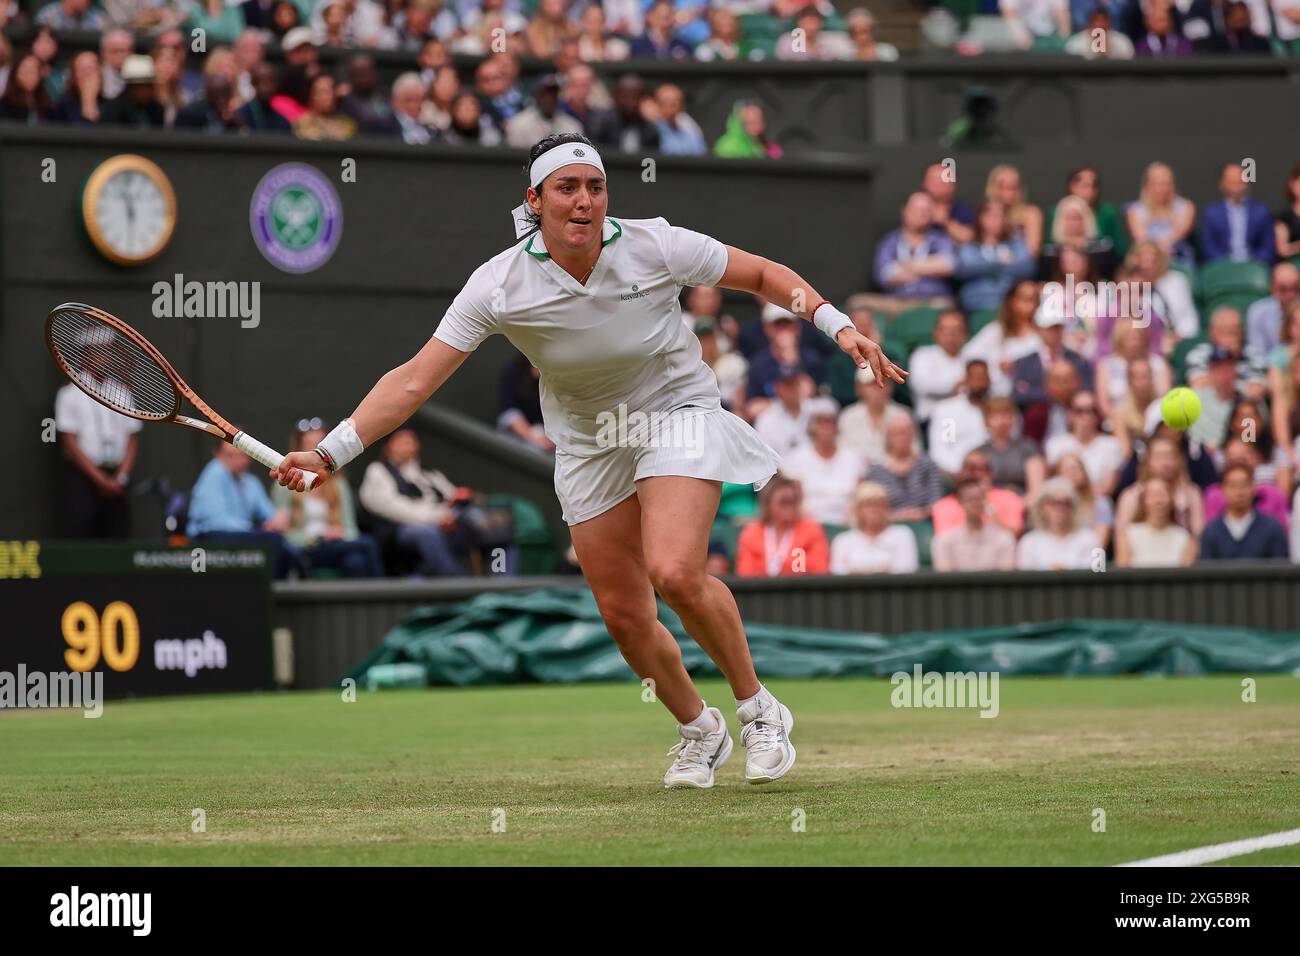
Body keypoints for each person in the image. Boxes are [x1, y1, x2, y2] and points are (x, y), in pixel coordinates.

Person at [270, 132, 905, 790]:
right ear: (535, 201)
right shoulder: (499, 283)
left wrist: (838, 325)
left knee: (675, 571)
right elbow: (413, 382)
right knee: (625, 615)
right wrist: (328, 451)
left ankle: (758, 709)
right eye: (567, 188)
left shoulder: (655, 244)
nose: (584, 201)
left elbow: (763, 276)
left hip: (675, 410)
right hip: (589, 439)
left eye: (595, 187)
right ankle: (700, 730)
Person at [271, 421, 383, 577]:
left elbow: (351, 529)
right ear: (298, 450)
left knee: (355, 562)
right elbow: (281, 533)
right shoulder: (287, 482)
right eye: (307, 446)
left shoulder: (339, 483)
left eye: (318, 447)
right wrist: (316, 538)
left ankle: (366, 600)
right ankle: (382, 598)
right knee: (368, 544)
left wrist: (339, 533)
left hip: (336, 546)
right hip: (306, 549)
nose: (312, 453)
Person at [53, 357, 140, 539]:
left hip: (118, 480)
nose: (104, 358)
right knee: (81, 539)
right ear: (87, 354)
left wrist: (120, 478)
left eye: (108, 352)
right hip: (82, 480)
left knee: (119, 538)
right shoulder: (69, 394)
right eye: (98, 352)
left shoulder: (122, 393)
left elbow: (132, 439)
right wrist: (101, 480)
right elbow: (70, 442)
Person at [188, 444, 299, 579]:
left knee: (286, 547)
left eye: (242, 455)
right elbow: (217, 521)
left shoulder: (251, 482)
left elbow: (271, 514)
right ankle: (263, 592)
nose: (237, 460)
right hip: (207, 538)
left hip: (238, 536)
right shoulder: (215, 471)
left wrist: (278, 520)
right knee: (272, 541)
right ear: (217, 455)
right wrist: (258, 529)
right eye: (230, 455)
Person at [779, 399, 863, 525]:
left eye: (830, 422)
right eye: (820, 422)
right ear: (811, 426)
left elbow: (859, 495)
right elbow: (795, 499)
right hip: (807, 524)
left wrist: (849, 521)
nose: (826, 427)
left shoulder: (853, 457)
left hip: (848, 523)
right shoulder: (796, 458)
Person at [736, 477, 830, 578]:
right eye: (784, 502)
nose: (789, 508)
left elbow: (819, 570)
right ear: (768, 504)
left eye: (793, 502)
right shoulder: (752, 533)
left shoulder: (812, 530)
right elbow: (745, 573)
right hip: (760, 592)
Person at [954, 200, 1034, 313]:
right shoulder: (970, 247)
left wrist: (983, 268)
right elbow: (963, 268)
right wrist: (998, 262)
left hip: (1009, 307)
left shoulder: (1016, 243)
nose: (997, 220)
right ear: (981, 218)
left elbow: (1027, 267)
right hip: (976, 306)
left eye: (1001, 216)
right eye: (991, 216)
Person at [1199, 463, 1289, 560]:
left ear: (1253, 487)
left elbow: (1280, 569)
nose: (1239, 492)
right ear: (1223, 489)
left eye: (1244, 485)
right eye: (1233, 486)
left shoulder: (1272, 528)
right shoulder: (1211, 532)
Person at [1045, 389, 1123, 498]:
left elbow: (1107, 488)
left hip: (1096, 504)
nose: (1086, 416)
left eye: (1091, 410)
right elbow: (1051, 484)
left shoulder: (1111, 445)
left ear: (1097, 415)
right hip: (1062, 502)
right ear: (1069, 414)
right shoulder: (1055, 444)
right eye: (1079, 411)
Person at [931, 448, 1026, 537]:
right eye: (972, 468)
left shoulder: (1010, 499)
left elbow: (1013, 536)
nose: (979, 474)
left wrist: (995, 520)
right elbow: (945, 542)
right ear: (961, 473)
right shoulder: (943, 506)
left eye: (985, 468)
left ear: (991, 473)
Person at [867, 414, 944, 522]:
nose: (902, 437)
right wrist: (897, 516)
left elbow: (937, 501)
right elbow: (873, 507)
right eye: (897, 433)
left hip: (925, 522)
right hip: (889, 525)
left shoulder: (927, 464)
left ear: (913, 435)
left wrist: (922, 513)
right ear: (888, 437)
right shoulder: (876, 470)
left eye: (907, 432)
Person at [829, 481, 919, 574]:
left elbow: (906, 570)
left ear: (887, 508)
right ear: (857, 510)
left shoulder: (902, 534)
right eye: (868, 505)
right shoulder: (842, 540)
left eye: (879, 504)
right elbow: (838, 573)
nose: (874, 510)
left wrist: (857, 571)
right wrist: (885, 569)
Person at [931, 476, 1016, 571]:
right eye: (970, 499)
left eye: (979, 498)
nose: (975, 503)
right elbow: (945, 578)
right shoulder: (944, 541)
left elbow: (1005, 578)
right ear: (960, 502)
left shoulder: (1004, 539)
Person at [1015, 476, 1100, 570]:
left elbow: (1100, 573)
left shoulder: (1092, 539)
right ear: (1042, 506)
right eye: (1053, 502)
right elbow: (1025, 579)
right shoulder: (1028, 542)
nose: (1060, 508)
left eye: (1066, 502)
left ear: (1074, 507)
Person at [1200, 162, 1276, 265]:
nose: (1236, 187)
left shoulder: (1261, 212)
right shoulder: (1211, 213)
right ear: (1222, 184)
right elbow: (1208, 247)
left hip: (1254, 266)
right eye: (1232, 182)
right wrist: (1225, 264)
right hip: (1222, 267)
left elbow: (1267, 247)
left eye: (1239, 182)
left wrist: (1256, 262)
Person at [927, 358, 991, 476]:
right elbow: (942, 450)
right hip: (957, 473)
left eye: (983, 377)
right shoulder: (949, 411)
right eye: (975, 377)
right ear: (965, 379)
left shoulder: (998, 410)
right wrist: (961, 472)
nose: (979, 383)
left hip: (993, 473)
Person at [1126, 162, 1196, 268]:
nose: (1164, 188)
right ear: (1148, 185)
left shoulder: (1186, 207)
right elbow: (1142, 240)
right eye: (1159, 184)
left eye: (1168, 183)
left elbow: (1179, 234)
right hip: (1147, 262)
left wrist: (1161, 251)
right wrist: (1157, 254)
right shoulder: (1135, 210)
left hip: (1179, 261)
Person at [1115, 477, 1196, 567]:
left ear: (1171, 500)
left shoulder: (1185, 538)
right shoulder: (1127, 536)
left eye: (1163, 495)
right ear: (1143, 501)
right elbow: (1123, 573)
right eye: (1153, 495)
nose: (1158, 501)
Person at [907, 309, 969, 424]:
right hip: (933, 420)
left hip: (966, 420)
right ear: (936, 333)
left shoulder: (972, 356)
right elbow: (921, 384)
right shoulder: (922, 355)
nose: (951, 335)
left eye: (956, 330)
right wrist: (956, 384)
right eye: (946, 330)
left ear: (965, 333)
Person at [977, 396, 1044, 496]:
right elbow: (979, 489)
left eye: (1007, 415)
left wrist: (1017, 507)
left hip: (1023, 503)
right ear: (986, 421)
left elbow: (1037, 490)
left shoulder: (1028, 447)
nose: (1002, 421)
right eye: (996, 416)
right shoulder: (979, 453)